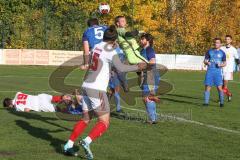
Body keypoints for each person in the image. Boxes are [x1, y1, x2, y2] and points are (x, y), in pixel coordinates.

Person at [63, 26, 146, 159]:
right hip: (97, 89)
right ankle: (87, 141)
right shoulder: (111, 51)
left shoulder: (96, 46)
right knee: (104, 122)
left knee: (86, 118)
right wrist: (138, 66)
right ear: (114, 41)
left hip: (86, 85)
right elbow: (121, 68)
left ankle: (69, 144)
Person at [140, 33, 160, 124]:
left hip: (151, 74)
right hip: (146, 75)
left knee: (146, 97)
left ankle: (152, 119)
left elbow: (152, 62)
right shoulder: (141, 51)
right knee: (148, 97)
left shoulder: (149, 50)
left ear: (148, 41)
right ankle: (153, 117)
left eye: (142, 39)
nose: (140, 40)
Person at [203, 38, 226, 107]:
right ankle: (206, 103)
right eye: (215, 42)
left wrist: (221, 65)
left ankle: (221, 103)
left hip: (218, 72)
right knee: (208, 87)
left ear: (220, 44)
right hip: (210, 71)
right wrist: (207, 62)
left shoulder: (222, 53)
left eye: (218, 43)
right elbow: (205, 60)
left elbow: (225, 63)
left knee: (219, 88)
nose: (216, 44)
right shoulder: (209, 51)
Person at [2, 92, 72, 112]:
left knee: (60, 109)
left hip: (40, 105)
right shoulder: (17, 94)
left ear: (9, 105)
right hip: (41, 96)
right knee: (57, 98)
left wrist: (32, 109)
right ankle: (69, 97)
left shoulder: (17, 107)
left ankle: (77, 109)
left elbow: (27, 110)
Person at [220, 35, 239, 101]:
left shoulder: (234, 49)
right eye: (226, 39)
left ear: (231, 40)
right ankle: (229, 94)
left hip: (228, 70)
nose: (227, 40)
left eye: (228, 39)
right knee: (220, 86)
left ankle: (221, 100)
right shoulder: (222, 48)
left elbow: (237, 60)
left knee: (224, 86)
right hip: (221, 69)